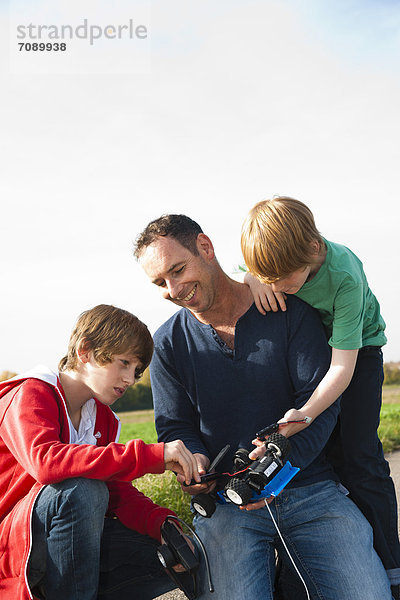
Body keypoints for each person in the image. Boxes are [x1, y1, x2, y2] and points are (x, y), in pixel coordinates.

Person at [134, 214, 392, 600]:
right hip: (225, 505)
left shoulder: (291, 312)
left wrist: (280, 468)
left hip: (312, 491)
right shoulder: (168, 343)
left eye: (178, 269)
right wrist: (194, 465)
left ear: (205, 247)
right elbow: (175, 427)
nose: (173, 289)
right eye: (160, 283)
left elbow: (319, 405)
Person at [240, 196, 400, 597]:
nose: (277, 288)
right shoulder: (276, 260)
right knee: (326, 456)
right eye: (268, 279)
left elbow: (342, 369)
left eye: (285, 281)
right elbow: (245, 272)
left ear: (314, 249)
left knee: (361, 457)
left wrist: (307, 413)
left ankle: (392, 565)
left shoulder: (344, 274)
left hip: (356, 355)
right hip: (313, 354)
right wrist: (251, 280)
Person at [0, 304, 201, 600]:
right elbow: (46, 463)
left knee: (169, 556)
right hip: (11, 543)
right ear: (85, 351)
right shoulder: (30, 393)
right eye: (124, 364)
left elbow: (115, 490)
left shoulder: (103, 418)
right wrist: (151, 455)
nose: (131, 379)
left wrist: (164, 523)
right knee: (83, 489)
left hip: (57, 543)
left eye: (137, 371)